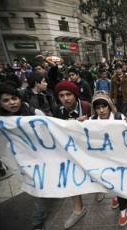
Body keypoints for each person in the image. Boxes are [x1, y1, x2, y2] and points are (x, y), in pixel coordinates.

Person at [0, 83, 46, 230]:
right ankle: (38, 220)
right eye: (6, 100)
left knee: (42, 183)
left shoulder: (33, 113)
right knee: (36, 186)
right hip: (23, 161)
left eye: (14, 98)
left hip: (42, 156)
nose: (12, 102)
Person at [90, 92, 127, 227]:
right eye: (98, 108)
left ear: (109, 106)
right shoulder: (91, 121)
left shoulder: (119, 117)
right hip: (103, 159)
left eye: (104, 106)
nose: (101, 110)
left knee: (120, 181)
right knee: (109, 179)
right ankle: (115, 195)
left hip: (120, 157)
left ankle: (124, 209)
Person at [53, 81, 91, 229]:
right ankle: (78, 209)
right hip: (70, 151)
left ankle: (99, 192)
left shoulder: (87, 106)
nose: (65, 98)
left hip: (90, 150)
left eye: (68, 94)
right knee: (71, 177)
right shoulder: (58, 110)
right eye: (61, 95)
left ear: (75, 95)